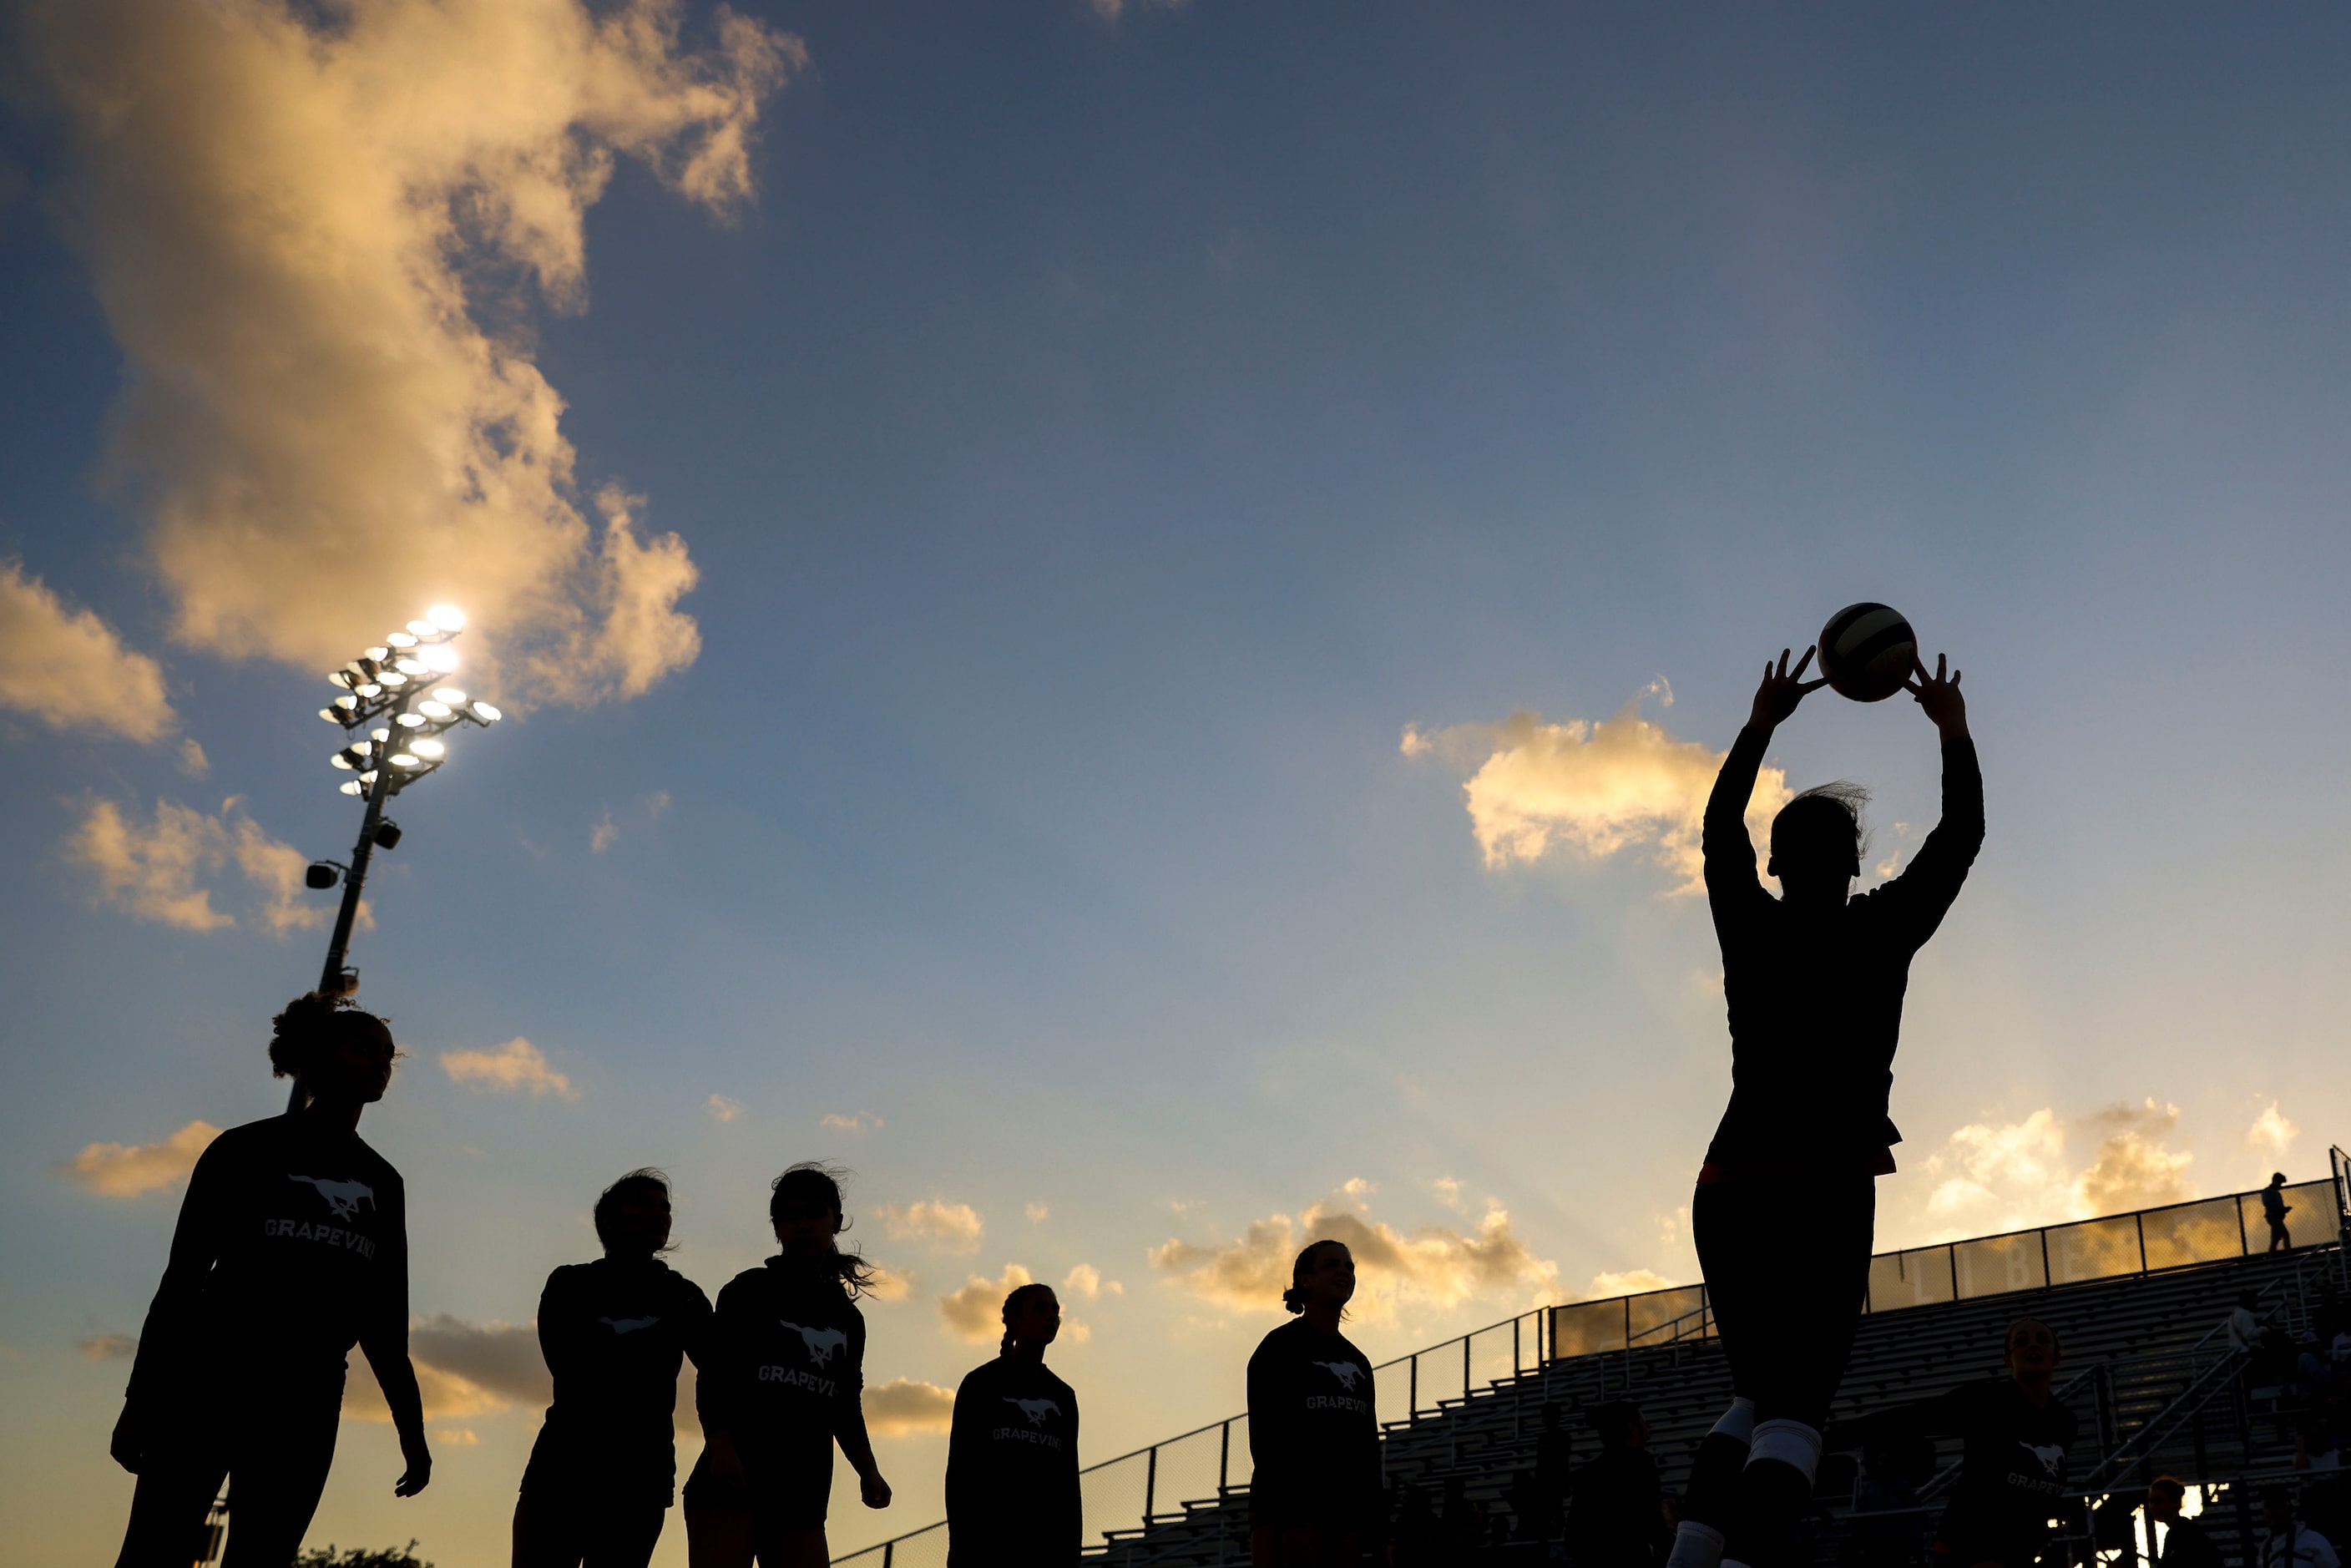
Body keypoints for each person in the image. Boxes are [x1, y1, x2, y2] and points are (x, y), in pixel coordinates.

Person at [1667, 646, 1980, 1568]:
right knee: (1796, 1403)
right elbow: (1957, 836)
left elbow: (1715, 826)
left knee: (1753, 1395)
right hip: (1824, 1182)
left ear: (1772, 862)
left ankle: (1693, 1557)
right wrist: (1952, 733)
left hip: (1726, 1183)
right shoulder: (1882, 929)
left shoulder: (1747, 922)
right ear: (1852, 860)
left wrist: (1761, 721)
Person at [109, 993, 430, 1567]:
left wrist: (412, 1432)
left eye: (389, 1055)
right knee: (155, 1549)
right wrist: (140, 1399)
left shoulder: (384, 1182)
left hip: (306, 1393)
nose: (381, 1063)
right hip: (209, 1375)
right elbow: (181, 1281)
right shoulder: (244, 1150)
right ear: (320, 1059)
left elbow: (383, 1319)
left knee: (265, 1556)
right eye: (365, 1050)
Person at [685, 1164, 891, 1568]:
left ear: (837, 1221)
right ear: (776, 1226)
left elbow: (845, 1404)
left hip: (802, 1494)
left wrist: (869, 1471)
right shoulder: (747, 1290)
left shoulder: (847, 1318)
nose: (804, 1224)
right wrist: (721, 1446)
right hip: (731, 1484)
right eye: (791, 1215)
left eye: (815, 1213)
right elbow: (715, 1375)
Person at [514, 1169, 714, 1568]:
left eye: (665, 1207)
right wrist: (663, 1330)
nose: (659, 1214)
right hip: (563, 1470)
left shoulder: (684, 1294)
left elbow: (727, 1372)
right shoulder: (571, 1284)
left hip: (642, 1479)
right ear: (607, 1220)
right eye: (643, 1203)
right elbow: (575, 1369)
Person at [1830, 1318, 2077, 1568]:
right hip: (1968, 1545)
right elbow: (1911, 1417)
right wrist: (1829, 1438)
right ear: (2007, 1358)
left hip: (2020, 1549)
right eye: (2021, 1341)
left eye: (2043, 1340)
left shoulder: (2066, 1422)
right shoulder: (1984, 1401)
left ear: (2057, 1357)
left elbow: (2045, 1488)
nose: (2032, 1345)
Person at [1247, 1240, 1382, 1567]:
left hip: (1345, 1514)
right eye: (1333, 1264)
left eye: (1350, 1267)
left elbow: (1368, 1450)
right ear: (1304, 1279)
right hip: (1291, 1513)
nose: (1345, 1272)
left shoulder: (1358, 1362)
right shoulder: (1278, 1348)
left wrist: (1379, 1530)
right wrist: (1292, 1512)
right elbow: (1265, 1440)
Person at [946, 1282, 1082, 1566]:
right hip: (987, 1547)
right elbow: (960, 1470)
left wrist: (1072, 1555)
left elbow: (1068, 1482)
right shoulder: (981, 1383)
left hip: (1044, 1550)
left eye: (1056, 1311)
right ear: (1016, 1321)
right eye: (1041, 1308)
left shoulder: (1063, 1396)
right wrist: (959, 1544)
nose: (1052, 1317)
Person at [1566, 1401, 1671, 1568]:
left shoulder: (1589, 1474)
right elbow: (1652, 1524)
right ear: (1631, 1427)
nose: (1648, 1434)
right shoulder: (1641, 1463)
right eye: (1644, 1426)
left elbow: (1573, 1539)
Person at [2147, 1476, 2223, 1568]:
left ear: (2176, 1501)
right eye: (2151, 1502)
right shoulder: (2181, 1530)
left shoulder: (2183, 1532)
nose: (2153, 1506)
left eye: (2159, 1501)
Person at [2262, 1488, 2342, 1568]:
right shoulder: (2265, 1548)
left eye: (2279, 1505)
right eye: (2268, 1506)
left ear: (2290, 1508)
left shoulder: (2313, 1540)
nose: (2273, 1510)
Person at [2266, 1175, 2297, 1253]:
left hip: (2277, 1217)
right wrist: (2281, 1210)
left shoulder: (2274, 1192)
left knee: (2275, 1239)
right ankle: (2289, 1253)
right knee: (2285, 1234)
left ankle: (2271, 1256)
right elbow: (2268, 1204)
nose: (2280, 1185)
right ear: (2276, 1181)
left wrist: (2282, 1210)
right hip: (2273, 1217)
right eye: (2280, 1183)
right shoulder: (2268, 1192)